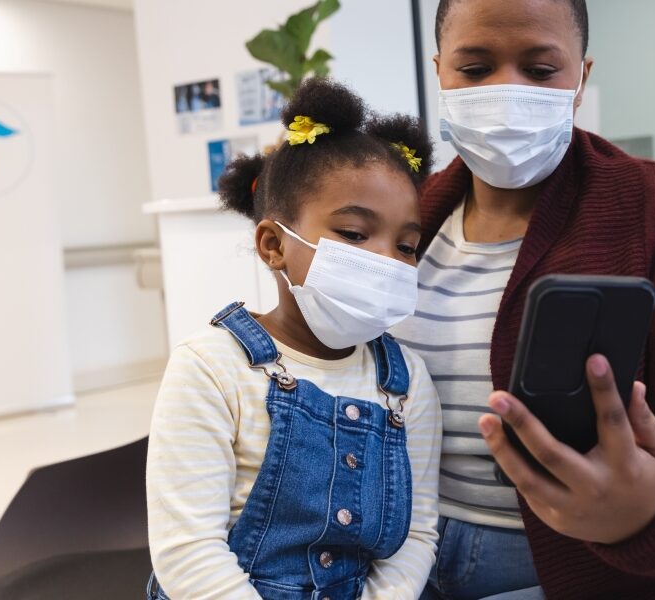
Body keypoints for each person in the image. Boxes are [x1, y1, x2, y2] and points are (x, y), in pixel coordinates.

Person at [391, 1, 655, 598]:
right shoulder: (401, 217)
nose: (507, 90)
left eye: (540, 71)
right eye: (474, 68)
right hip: (398, 563)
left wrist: (648, 514)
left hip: (578, 572)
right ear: (439, 71)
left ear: (581, 78)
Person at [145, 78, 443, 600]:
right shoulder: (212, 366)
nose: (386, 261)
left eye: (407, 245)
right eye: (353, 234)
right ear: (274, 245)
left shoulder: (406, 381)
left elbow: (416, 534)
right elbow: (187, 554)